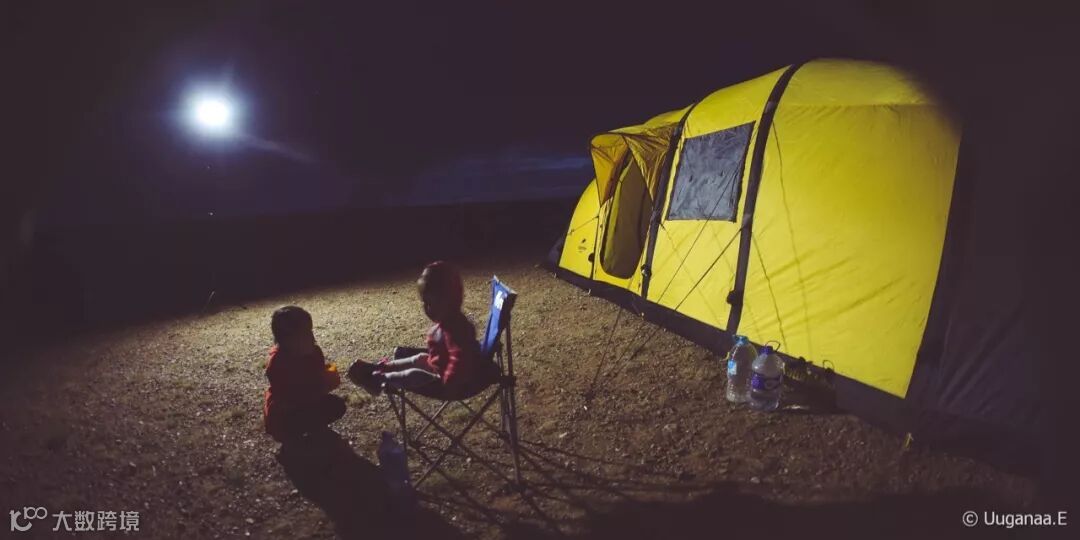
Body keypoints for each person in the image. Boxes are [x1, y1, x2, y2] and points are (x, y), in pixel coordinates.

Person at [349, 261, 492, 400]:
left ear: (451, 301)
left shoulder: (457, 328)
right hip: (438, 368)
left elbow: (460, 359)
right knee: (419, 358)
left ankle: (378, 380)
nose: (426, 308)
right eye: (424, 302)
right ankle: (381, 368)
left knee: (413, 374)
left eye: (431, 304)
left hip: (452, 383)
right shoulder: (447, 322)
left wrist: (450, 382)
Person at [263, 306, 346, 443]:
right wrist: (318, 388)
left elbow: (317, 379)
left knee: (336, 405)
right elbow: (287, 398)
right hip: (287, 412)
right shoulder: (278, 363)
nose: (313, 338)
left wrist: (327, 379)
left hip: (308, 401)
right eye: (306, 334)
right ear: (288, 340)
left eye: (311, 331)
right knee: (287, 421)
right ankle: (293, 440)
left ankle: (316, 429)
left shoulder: (314, 352)